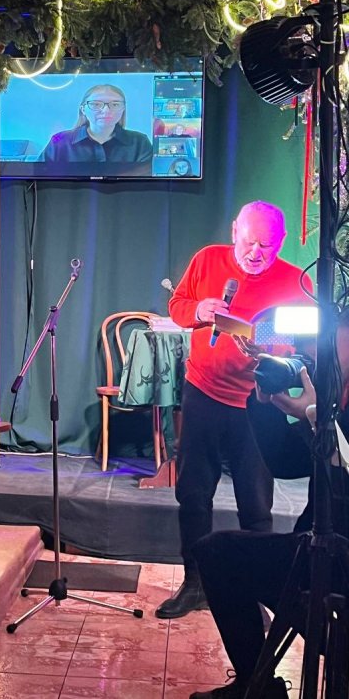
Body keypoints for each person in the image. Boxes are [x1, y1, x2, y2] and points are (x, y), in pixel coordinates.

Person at [155, 200, 314, 620]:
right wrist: (198, 310)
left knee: (256, 506)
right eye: (248, 242)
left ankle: (258, 593)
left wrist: (268, 349)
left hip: (257, 405)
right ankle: (196, 584)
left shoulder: (296, 282)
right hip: (202, 393)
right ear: (233, 233)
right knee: (193, 495)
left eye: (267, 245)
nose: (256, 253)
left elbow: (307, 348)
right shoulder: (208, 259)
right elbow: (178, 306)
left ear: (281, 242)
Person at [189, 312, 349, 699]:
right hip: (316, 550)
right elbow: (285, 464)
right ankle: (257, 686)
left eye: (331, 348)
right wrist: (267, 402)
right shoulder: (337, 397)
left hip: (341, 560)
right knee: (217, 552)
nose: (319, 358)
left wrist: (315, 417)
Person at [38, 84, 153, 169]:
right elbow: (39, 178)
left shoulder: (140, 142)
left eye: (115, 104)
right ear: (83, 110)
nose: (106, 111)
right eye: (96, 104)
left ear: (123, 109)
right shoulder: (59, 141)